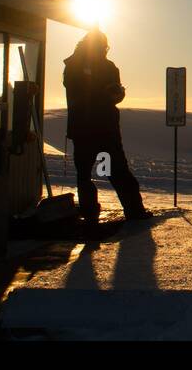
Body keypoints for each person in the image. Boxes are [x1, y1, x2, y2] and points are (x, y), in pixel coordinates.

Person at [63, 29, 152, 232]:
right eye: (101, 45)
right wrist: (104, 93)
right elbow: (77, 91)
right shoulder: (74, 65)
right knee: (98, 172)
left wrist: (117, 93)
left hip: (98, 127)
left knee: (109, 171)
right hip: (91, 128)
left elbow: (113, 95)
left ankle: (128, 210)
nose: (103, 49)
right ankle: (96, 215)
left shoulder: (107, 66)